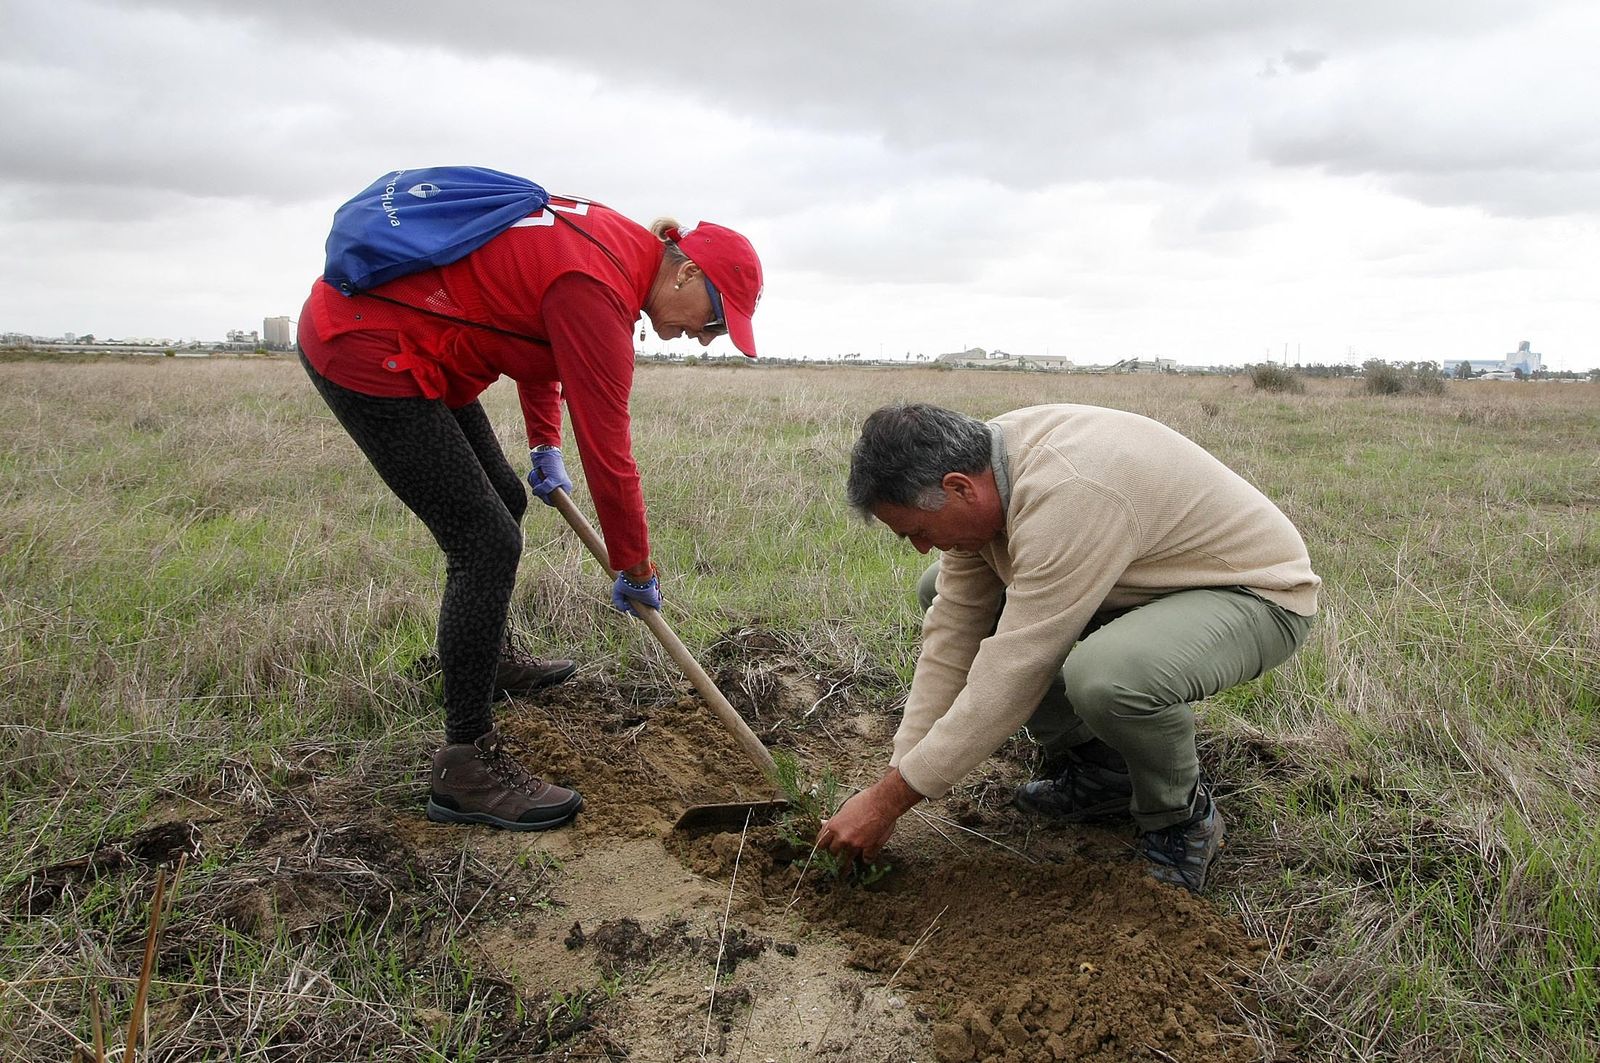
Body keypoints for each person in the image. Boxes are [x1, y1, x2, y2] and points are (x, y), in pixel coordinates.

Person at [296, 185, 764, 832]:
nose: (706, 339)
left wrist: (544, 444)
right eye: (714, 321)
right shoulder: (597, 288)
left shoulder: (612, 247)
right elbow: (610, 454)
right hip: (367, 345)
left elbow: (542, 343)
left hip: (416, 339)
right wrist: (635, 564)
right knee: (485, 541)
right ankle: (466, 762)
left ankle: (487, 658)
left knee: (505, 501)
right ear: (688, 271)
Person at [818, 402, 1318, 891]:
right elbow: (954, 633)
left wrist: (888, 803)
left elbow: (1015, 670)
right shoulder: (984, 475)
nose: (921, 546)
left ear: (958, 489)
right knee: (936, 590)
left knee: (1109, 677)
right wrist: (898, 767)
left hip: (1251, 594)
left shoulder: (1069, 490)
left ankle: (1180, 818)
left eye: (920, 531)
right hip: (1139, 583)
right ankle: (1104, 773)